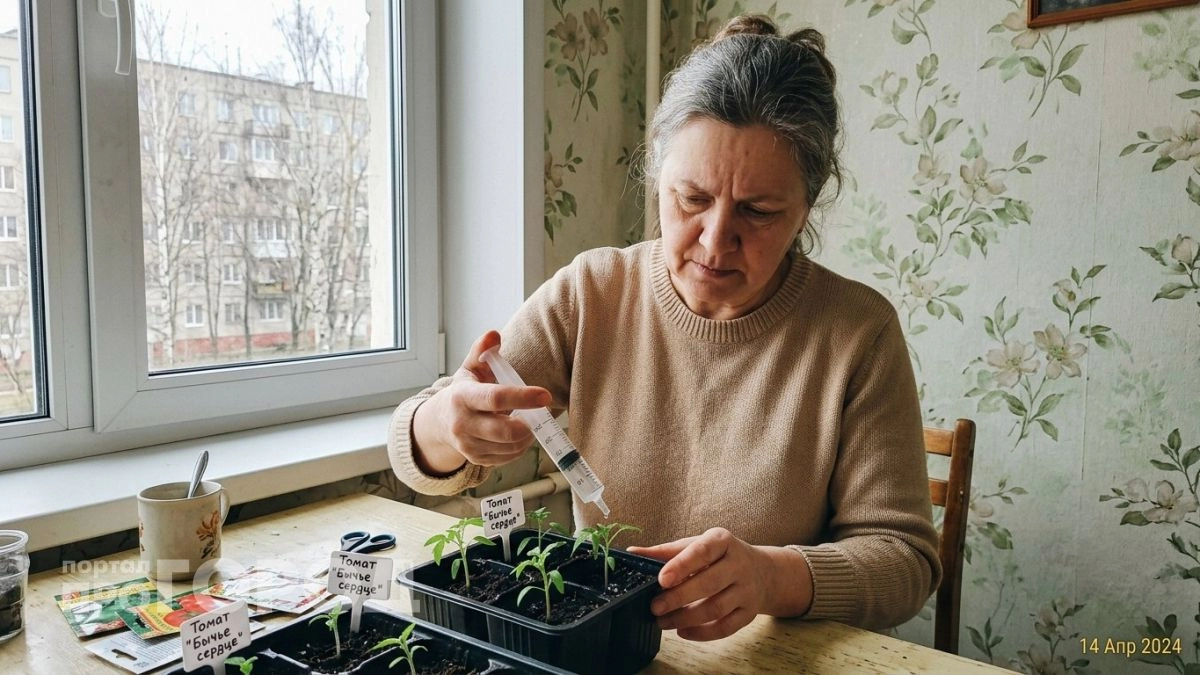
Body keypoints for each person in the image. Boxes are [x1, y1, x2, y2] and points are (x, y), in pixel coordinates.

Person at [388, 14, 940, 641]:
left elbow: (906, 565)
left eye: (758, 212)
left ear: (807, 207)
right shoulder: (594, 293)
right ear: (656, 179)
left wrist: (770, 578)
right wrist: (449, 425)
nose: (715, 241)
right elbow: (413, 452)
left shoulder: (857, 332)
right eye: (691, 199)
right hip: (610, 645)